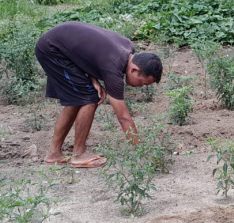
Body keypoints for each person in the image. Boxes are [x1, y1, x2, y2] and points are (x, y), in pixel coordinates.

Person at [35, 21, 162, 168]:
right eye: (143, 83)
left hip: (61, 43)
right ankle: (78, 155)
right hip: (52, 49)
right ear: (134, 70)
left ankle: (54, 154)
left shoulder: (128, 48)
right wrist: (143, 155)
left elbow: (90, 53)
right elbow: (124, 118)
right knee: (89, 98)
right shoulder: (114, 69)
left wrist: (91, 77)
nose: (140, 87)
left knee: (78, 99)